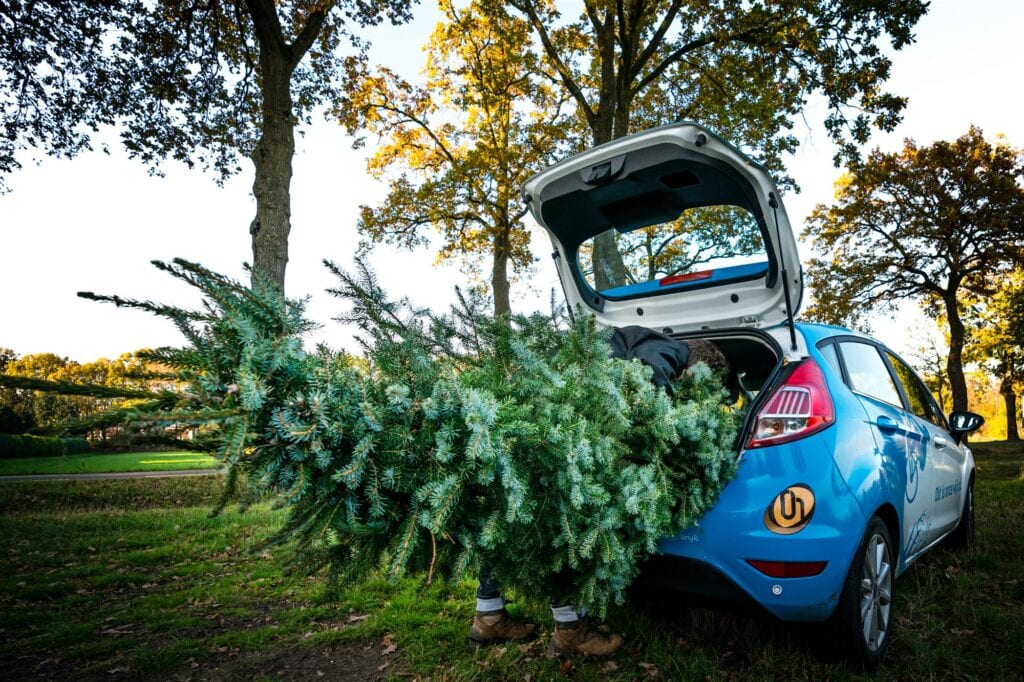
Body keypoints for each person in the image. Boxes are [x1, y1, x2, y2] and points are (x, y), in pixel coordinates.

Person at [467, 332, 731, 656]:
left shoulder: (636, 338)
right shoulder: (667, 349)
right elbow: (650, 382)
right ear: (696, 365)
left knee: (510, 519)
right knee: (567, 523)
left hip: (549, 411)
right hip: (576, 426)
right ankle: (570, 631)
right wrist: (665, 424)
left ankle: (489, 616)